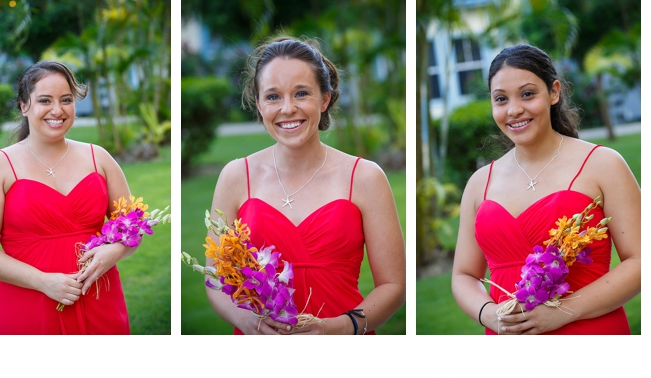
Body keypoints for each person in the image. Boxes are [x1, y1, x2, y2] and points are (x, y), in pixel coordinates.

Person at [205, 37, 405, 335]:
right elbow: (217, 279)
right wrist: (249, 322)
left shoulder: (365, 178)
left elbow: (393, 285)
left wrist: (340, 327)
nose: (288, 108)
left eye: (301, 93)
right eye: (273, 97)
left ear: (324, 98)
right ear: (259, 104)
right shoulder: (236, 176)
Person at [451, 44, 640, 335]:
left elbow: (641, 261)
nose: (514, 110)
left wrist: (563, 311)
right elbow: (463, 275)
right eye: (501, 99)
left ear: (553, 92)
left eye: (527, 94)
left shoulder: (603, 164)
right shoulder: (479, 183)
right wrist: (492, 316)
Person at [0, 61, 134, 334]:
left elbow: (132, 225)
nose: (57, 110)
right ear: (24, 106)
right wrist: (43, 282)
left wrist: (115, 250)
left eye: (66, 100)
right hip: (29, 304)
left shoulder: (98, 157)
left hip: (99, 297)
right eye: (45, 100)